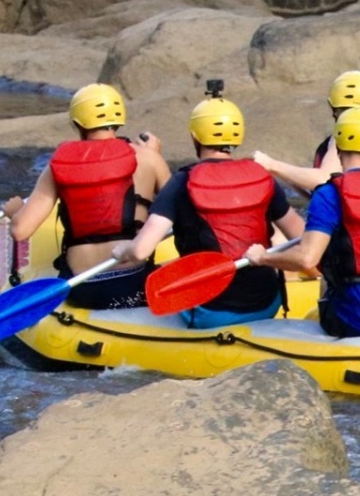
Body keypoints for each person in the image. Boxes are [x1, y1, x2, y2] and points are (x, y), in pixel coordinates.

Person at [115, 88, 303, 329]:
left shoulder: (182, 182)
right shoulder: (261, 177)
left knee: (149, 277)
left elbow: (141, 251)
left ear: (196, 137)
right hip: (267, 302)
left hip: (210, 309)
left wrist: (123, 251)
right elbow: (301, 237)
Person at [243, 108, 360, 337]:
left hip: (353, 320)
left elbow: (307, 258)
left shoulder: (329, 194)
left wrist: (263, 257)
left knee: (321, 299)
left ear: (338, 145)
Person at [3, 82, 169, 309]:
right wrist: (155, 157)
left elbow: (21, 230)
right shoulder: (149, 158)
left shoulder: (57, 165)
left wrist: (15, 213)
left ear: (78, 124)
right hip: (135, 283)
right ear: (120, 119)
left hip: (83, 288)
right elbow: (176, 208)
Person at [254, 69, 360, 192]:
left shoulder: (344, 136)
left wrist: (271, 164)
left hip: (347, 231)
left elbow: (324, 180)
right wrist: (287, 177)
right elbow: (322, 192)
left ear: (333, 107)